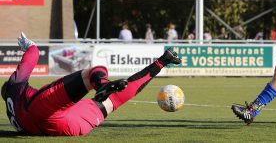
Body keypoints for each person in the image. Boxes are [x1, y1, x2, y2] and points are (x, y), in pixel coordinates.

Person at [2, 32, 181, 136]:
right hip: (52, 117)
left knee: (111, 103)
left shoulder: (12, 104)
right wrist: (31, 47)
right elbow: (29, 60)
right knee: (94, 73)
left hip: (59, 126)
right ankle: (102, 84)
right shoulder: (14, 87)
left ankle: (161, 62)